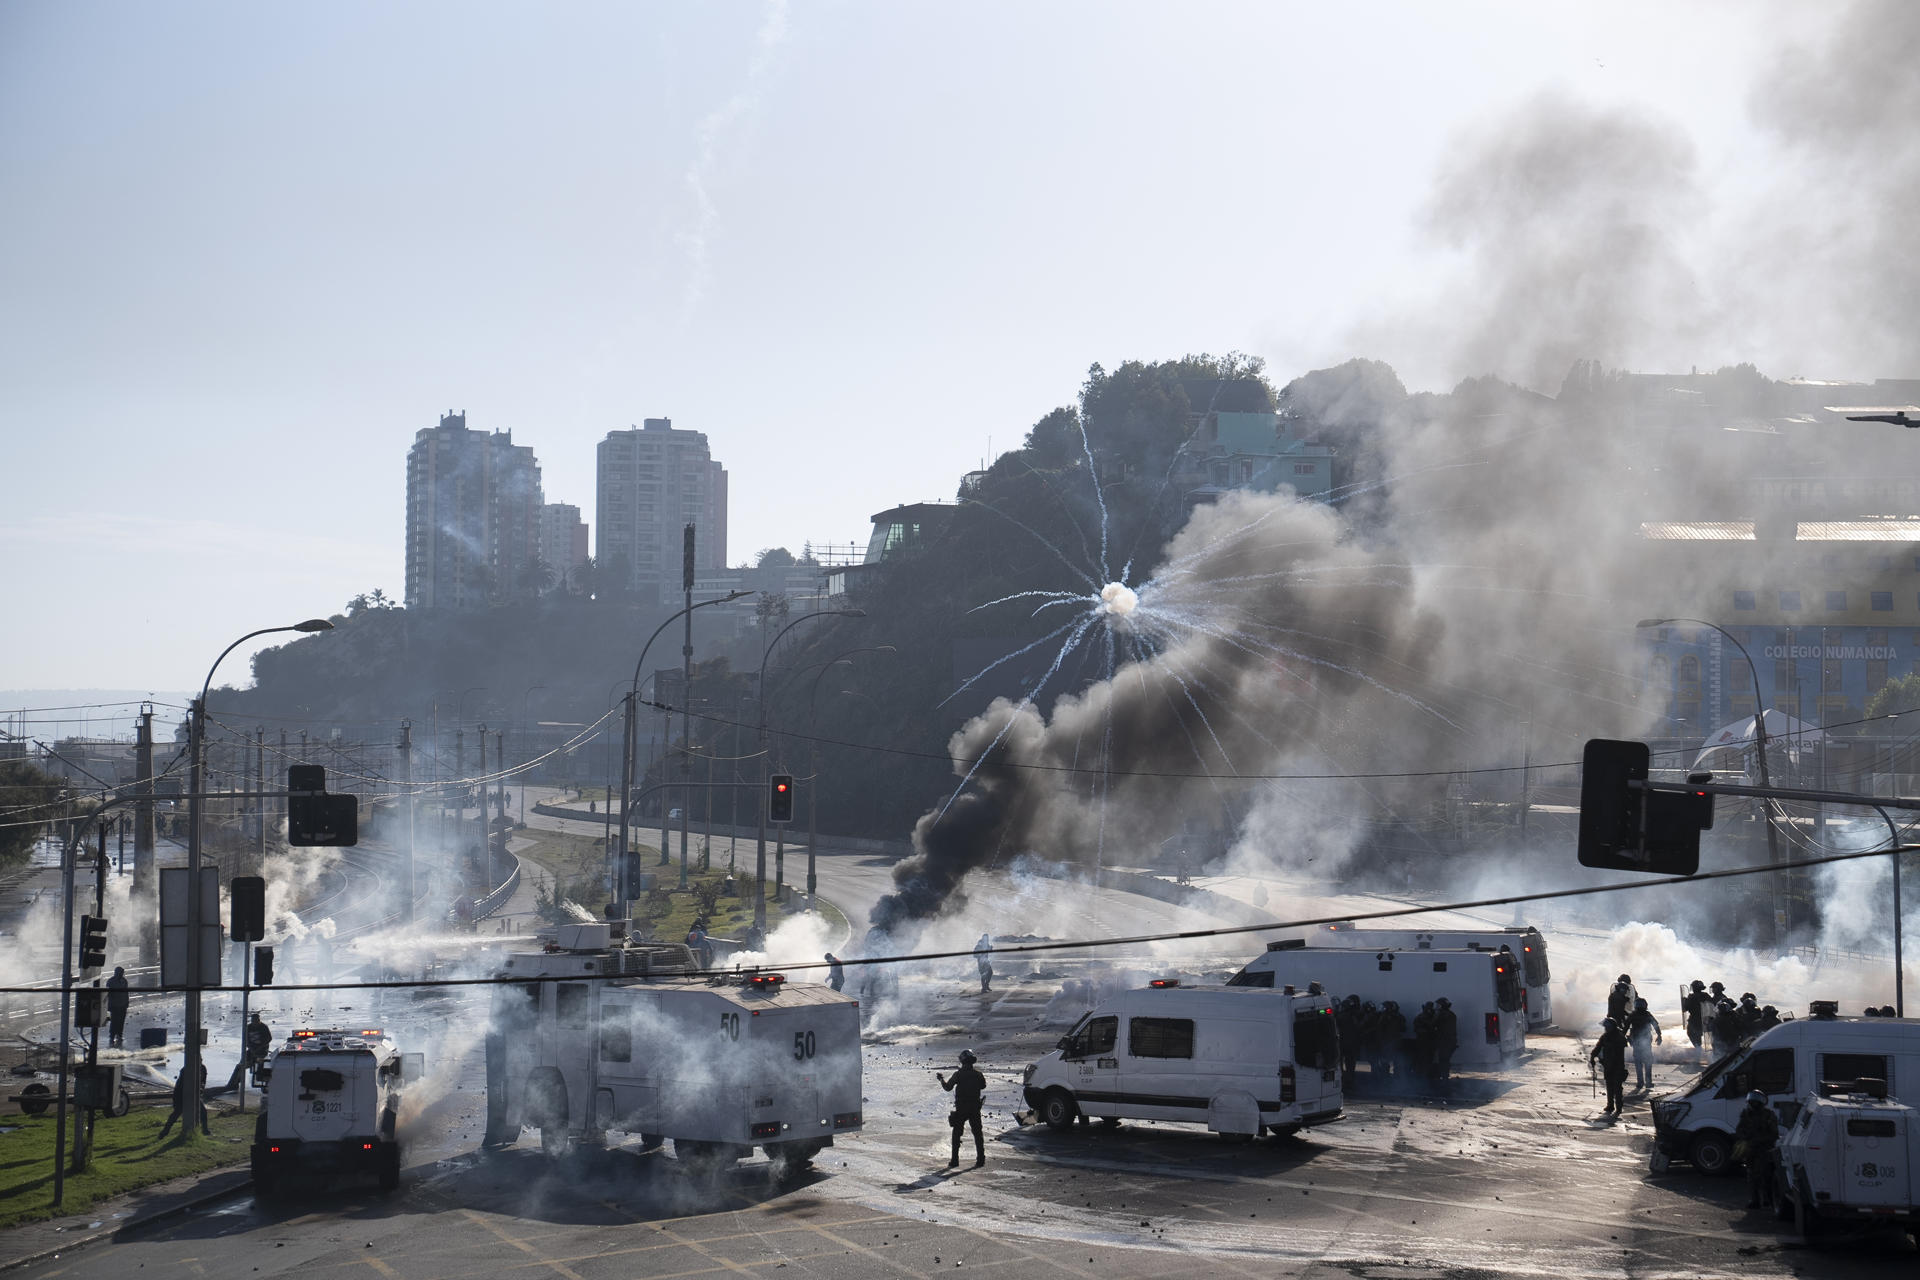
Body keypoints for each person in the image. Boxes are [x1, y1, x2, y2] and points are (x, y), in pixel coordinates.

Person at [938, 1048, 987, 1168]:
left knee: (956, 1134)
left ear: (962, 1061)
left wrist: (941, 1079)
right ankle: (980, 1159)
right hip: (975, 1107)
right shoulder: (978, 1074)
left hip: (962, 1108)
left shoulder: (958, 1074)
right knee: (978, 1134)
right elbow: (983, 1086)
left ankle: (955, 1160)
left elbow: (948, 1088)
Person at [1735, 1089, 1781, 1210]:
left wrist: (1759, 1140)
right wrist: (1745, 1138)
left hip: (1764, 1150)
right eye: (1752, 1101)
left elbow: (1774, 1134)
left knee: (1765, 1175)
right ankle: (1754, 1200)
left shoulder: (1769, 1115)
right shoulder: (1746, 1114)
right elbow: (1739, 1129)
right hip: (1751, 1149)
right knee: (1751, 1175)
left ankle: (1767, 1199)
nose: (1753, 1104)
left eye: (1756, 1102)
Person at [159, 1061, 211, 1137]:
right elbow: (181, 1084)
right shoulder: (186, 1069)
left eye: (200, 1059)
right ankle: (165, 1131)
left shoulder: (203, 1068)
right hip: (181, 1094)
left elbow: (203, 1082)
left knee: (203, 1111)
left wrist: (201, 1089)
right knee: (177, 1112)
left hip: (194, 1094)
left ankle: (205, 1130)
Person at [1590, 1017, 1628, 1117]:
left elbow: (1621, 1049)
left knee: (1617, 1087)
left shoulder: (1619, 1037)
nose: (1605, 1029)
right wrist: (1592, 1056)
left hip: (1618, 1066)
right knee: (1609, 1086)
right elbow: (1598, 1047)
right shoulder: (1605, 1036)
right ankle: (1610, 1105)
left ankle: (1619, 1107)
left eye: (1607, 1027)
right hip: (1608, 1065)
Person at [1627, 997, 1662, 1091]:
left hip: (1638, 1041)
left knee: (1639, 1062)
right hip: (1644, 1041)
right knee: (1647, 1061)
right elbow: (1656, 1025)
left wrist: (1624, 1038)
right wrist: (1659, 1035)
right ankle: (1648, 1082)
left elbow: (1625, 1027)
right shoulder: (1647, 1015)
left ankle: (1640, 1082)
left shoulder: (1633, 1015)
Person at [1375, 1000, 1407, 1080]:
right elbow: (1403, 1029)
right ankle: (1397, 1079)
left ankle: (1385, 1078)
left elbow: (1380, 1030)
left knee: (1385, 1061)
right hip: (1396, 1042)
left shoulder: (1384, 1017)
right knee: (1397, 1061)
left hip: (1387, 1042)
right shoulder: (1399, 1016)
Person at [1431, 997, 1459, 1083]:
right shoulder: (1451, 1014)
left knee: (1442, 1060)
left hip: (1444, 1041)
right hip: (1450, 1041)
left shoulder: (1442, 1014)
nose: (1436, 1007)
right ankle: (1444, 1077)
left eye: (1438, 1005)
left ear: (1442, 1006)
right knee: (1445, 1060)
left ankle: (1442, 1077)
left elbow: (1433, 1024)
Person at [105, 966, 130, 1049]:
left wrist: (127, 1002)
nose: (121, 974)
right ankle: (112, 1036)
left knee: (121, 1021)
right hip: (114, 1005)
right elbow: (108, 994)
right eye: (120, 972)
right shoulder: (111, 981)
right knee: (114, 1021)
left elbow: (126, 992)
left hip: (123, 1004)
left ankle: (119, 1035)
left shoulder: (124, 981)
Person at [1411, 1001, 1437, 1082]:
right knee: (1422, 1060)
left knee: (1428, 1060)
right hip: (1423, 1042)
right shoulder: (1421, 1017)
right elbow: (1418, 1029)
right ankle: (1421, 1077)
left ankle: (1425, 1077)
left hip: (1429, 1042)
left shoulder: (1432, 1017)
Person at [1682, 980, 1707, 1050]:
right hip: (1705, 1020)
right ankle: (1699, 1050)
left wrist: (1685, 1001)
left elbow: (1686, 1008)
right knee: (1697, 1035)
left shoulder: (1692, 997)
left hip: (1694, 1020)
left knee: (1692, 1034)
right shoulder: (1706, 995)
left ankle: (1699, 1050)